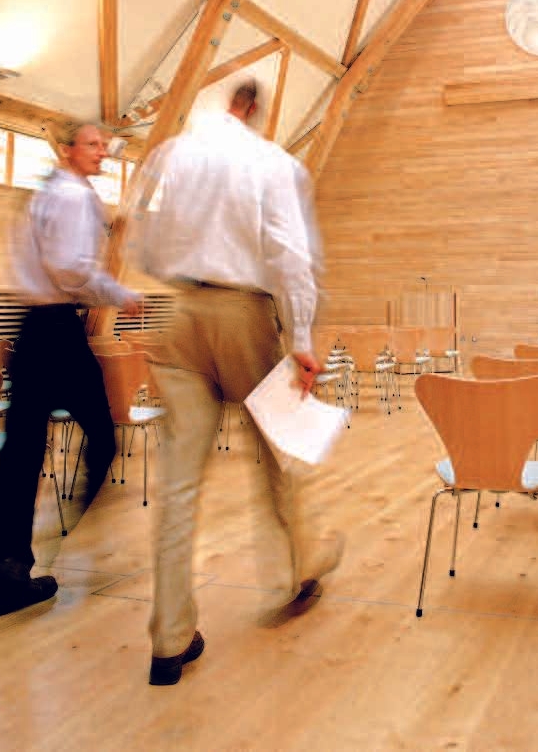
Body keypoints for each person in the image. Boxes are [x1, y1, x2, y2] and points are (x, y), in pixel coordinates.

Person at [131, 79, 342, 687]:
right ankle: (296, 573)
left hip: (178, 313)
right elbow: (290, 257)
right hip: (242, 312)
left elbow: (141, 245)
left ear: (226, 104)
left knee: (177, 487)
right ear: (254, 111)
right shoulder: (273, 163)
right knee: (276, 454)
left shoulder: (169, 154)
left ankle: (169, 640)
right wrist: (301, 338)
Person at [0, 122, 142, 619]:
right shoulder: (72, 197)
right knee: (103, 433)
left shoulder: (46, 194)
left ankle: (5, 577)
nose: (101, 153)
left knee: (22, 452)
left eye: (104, 146)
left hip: (32, 327)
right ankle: (74, 523)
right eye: (91, 145)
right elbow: (69, 268)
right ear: (70, 150)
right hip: (55, 329)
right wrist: (120, 294)